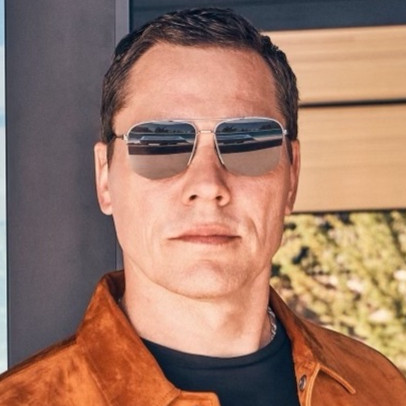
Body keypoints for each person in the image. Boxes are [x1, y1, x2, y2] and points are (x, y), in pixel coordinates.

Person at [0, 7, 405, 406]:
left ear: (292, 175)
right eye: (161, 143)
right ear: (105, 177)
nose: (208, 185)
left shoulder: (383, 389)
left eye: (248, 142)